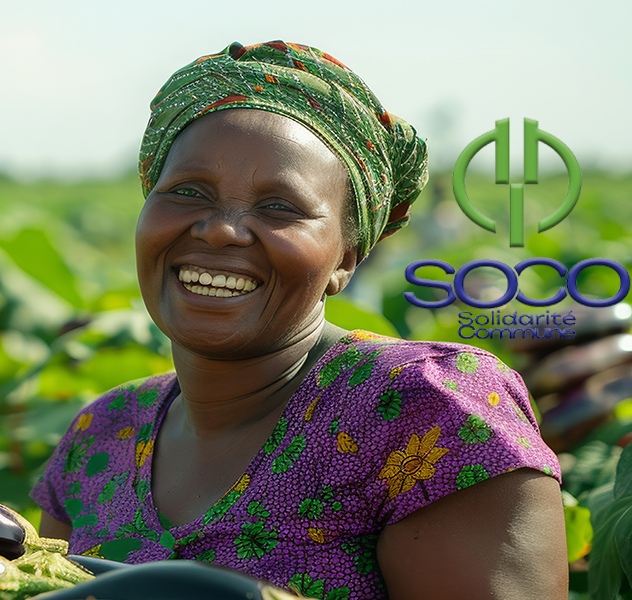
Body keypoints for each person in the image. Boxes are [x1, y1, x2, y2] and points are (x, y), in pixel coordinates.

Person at [32, 41, 566, 599]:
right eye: (188, 192)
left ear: (345, 260)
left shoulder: (424, 407)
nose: (220, 230)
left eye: (279, 207)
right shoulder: (104, 434)